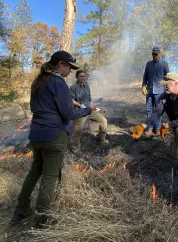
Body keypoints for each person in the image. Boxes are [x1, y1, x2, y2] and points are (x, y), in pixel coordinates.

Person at [11, 51, 99, 224]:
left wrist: (68, 102)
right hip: (54, 136)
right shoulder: (58, 83)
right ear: (60, 65)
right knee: (50, 177)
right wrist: (89, 109)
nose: (70, 71)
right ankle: (42, 219)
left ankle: (21, 209)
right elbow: (69, 114)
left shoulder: (38, 81)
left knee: (35, 171)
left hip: (36, 135)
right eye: (69, 67)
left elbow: (38, 107)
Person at [131, 72, 178, 176]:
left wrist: (168, 125)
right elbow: (156, 114)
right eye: (163, 83)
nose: (164, 85)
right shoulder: (164, 97)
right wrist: (143, 126)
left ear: (176, 83)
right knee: (176, 156)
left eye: (167, 83)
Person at [70, 70, 109, 153]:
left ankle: (101, 139)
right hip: (80, 111)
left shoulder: (87, 86)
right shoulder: (73, 87)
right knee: (77, 130)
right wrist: (79, 106)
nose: (83, 78)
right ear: (77, 77)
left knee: (103, 121)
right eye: (81, 76)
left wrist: (96, 108)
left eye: (84, 76)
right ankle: (75, 149)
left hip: (89, 109)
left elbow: (89, 100)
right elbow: (71, 100)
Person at [141, 46, 169, 136]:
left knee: (158, 110)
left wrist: (167, 88)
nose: (154, 56)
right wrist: (143, 86)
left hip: (160, 91)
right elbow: (145, 75)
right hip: (149, 91)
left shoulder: (164, 63)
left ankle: (157, 128)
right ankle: (150, 128)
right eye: (153, 54)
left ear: (159, 54)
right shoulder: (148, 64)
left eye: (156, 54)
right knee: (149, 110)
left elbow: (167, 76)